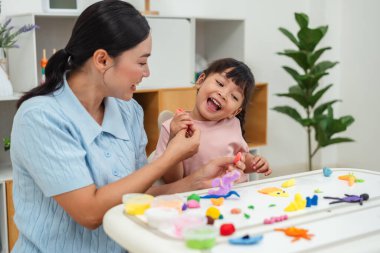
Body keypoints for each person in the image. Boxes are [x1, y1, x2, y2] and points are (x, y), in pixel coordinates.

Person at [10, 1, 245, 253]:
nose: (147, 72)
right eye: (142, 62)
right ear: (102, 60)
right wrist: (170, 157)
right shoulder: (41, 118)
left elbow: (136, 198)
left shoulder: (128, 110)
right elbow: (89, 213)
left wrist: (198, 180)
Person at [154, 58, 272, 184]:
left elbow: (241, 159)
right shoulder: (173, 127)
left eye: (234, 96)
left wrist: (254, 163)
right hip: (199, 197)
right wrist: (174, 138)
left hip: (235, 194)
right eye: (220, 84)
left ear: (235, 112)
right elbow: (172, 180)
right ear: (200, 80)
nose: (223, 94)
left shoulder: (232, 125)